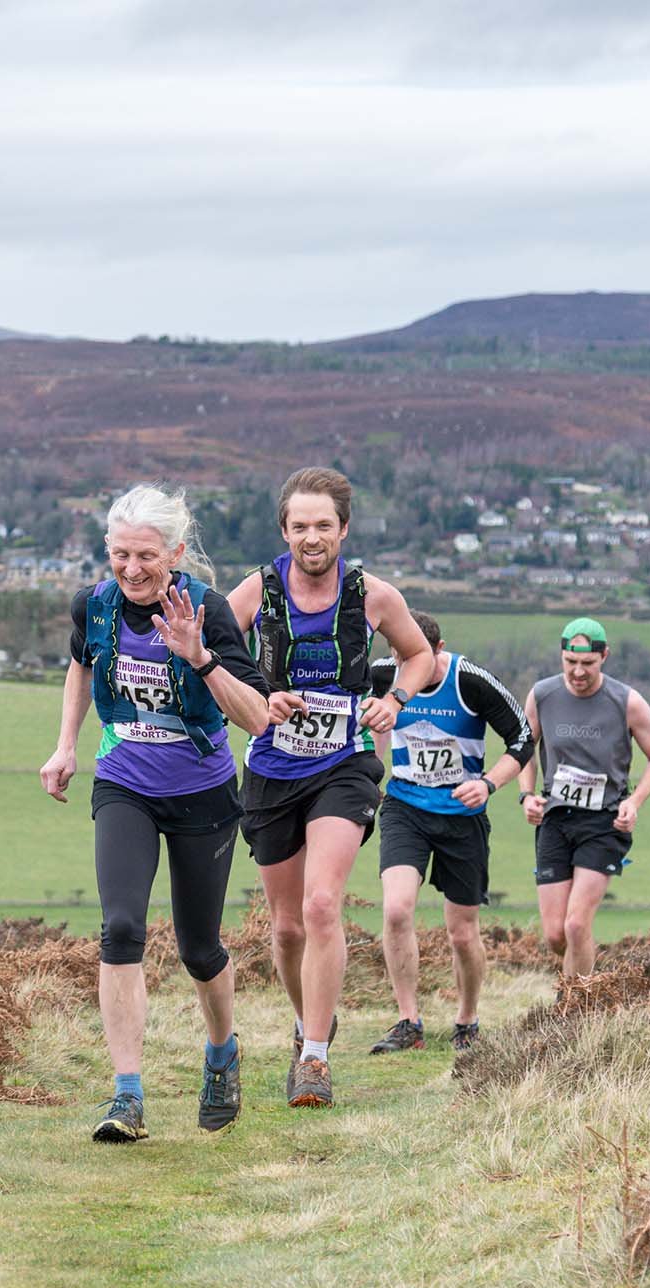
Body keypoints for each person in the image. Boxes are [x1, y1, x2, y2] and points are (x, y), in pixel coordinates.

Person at [42, 483, 271, 1143]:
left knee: (201, 950)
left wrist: (199, 658)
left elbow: (255, 716)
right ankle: (127, 1095)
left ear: (174, 551)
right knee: (119, 928)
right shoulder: (95, 604)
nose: (133, 569)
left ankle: (223, 1052)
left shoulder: (212, 610)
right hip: (125, 784)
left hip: (202, 792)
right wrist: (65, 746)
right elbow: (81, 667)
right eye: (120, 555)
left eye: (146, 555)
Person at [223, 467, 434, 1109]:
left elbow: (418, 656)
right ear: (284, 531)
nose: (311, 537)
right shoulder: (256, 591)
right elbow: (213, 654)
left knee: (321, 906)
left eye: (323, 525)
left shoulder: (373, 595)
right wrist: (261, 695)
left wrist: (395, 699)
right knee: (285, 929)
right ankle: (308, 1019)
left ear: (343, 528)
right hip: (271, 769)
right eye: (299, 526)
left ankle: (314, 1059)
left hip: (343, 764)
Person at [366, 611, 534, 1054]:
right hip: (405, 807)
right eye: (398, 658)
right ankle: (408, 1021)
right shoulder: (384, 675)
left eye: (414, 658)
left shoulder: (471, 681)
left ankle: (467, 1018)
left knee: (462, 931)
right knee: (397, 909)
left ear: (436, 651)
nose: (406, 669)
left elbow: (523, 737)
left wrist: (488, 783)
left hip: (462, 814)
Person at [519, 618, 650, 982]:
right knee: (556, 934)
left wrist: (634, 802)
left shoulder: (628, 702)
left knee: (575, 925)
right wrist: (527, 795)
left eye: (587, 663)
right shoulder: (542, 695)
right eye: (570, 661)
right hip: (556, 819)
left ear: (604, 657)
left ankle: (575, 1009)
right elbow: (523, 750)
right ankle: (585, 975)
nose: (578, 671)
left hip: (604, 823)